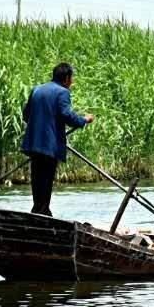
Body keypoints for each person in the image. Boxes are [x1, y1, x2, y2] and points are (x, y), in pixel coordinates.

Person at [21, 62, 93, 216]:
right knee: (46, 179)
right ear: (66, 78)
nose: (72, 82)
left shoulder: (37, 90)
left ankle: (38, 210)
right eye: (71, 78)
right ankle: (43, 212)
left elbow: (26, 115)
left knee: (37, 179)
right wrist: (84, 120)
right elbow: (66, 115)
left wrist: (42, 124)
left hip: (33, 144)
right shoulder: (62, 92)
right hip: (49, 145)